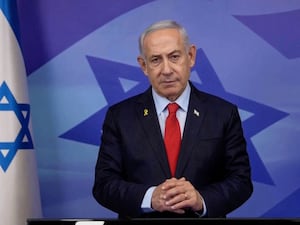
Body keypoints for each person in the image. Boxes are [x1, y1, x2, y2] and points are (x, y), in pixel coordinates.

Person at [92, 19, 253, 219]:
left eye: (174, 57)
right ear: (143, 65)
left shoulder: (223, 113)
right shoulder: (119, 117)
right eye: (156, 60)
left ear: (191, 56)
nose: (166, 70)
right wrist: (150, 197)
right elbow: (104, 184)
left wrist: (201, 199)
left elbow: (241, 181)